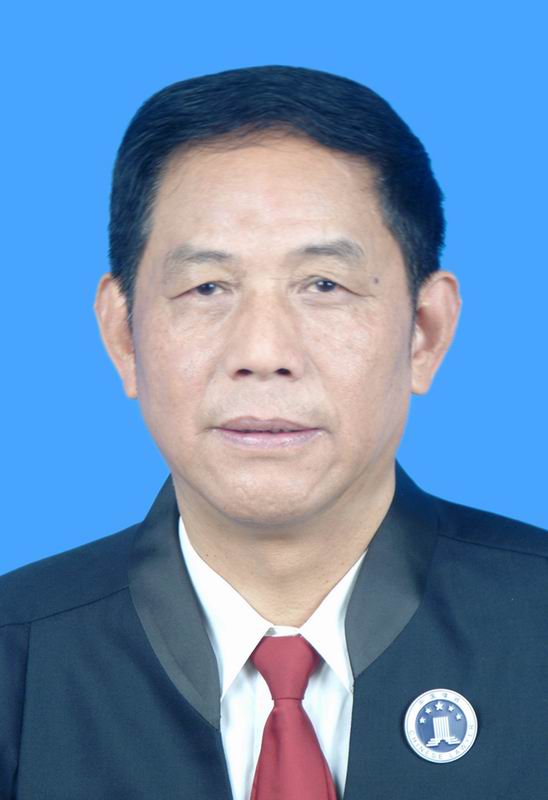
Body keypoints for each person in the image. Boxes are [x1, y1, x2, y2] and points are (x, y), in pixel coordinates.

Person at [1, 65, 546, 800]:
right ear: (124, 336)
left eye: (324, 285)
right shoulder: (16, 662)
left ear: (424, 331)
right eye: (207, 287)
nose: (263, 353)